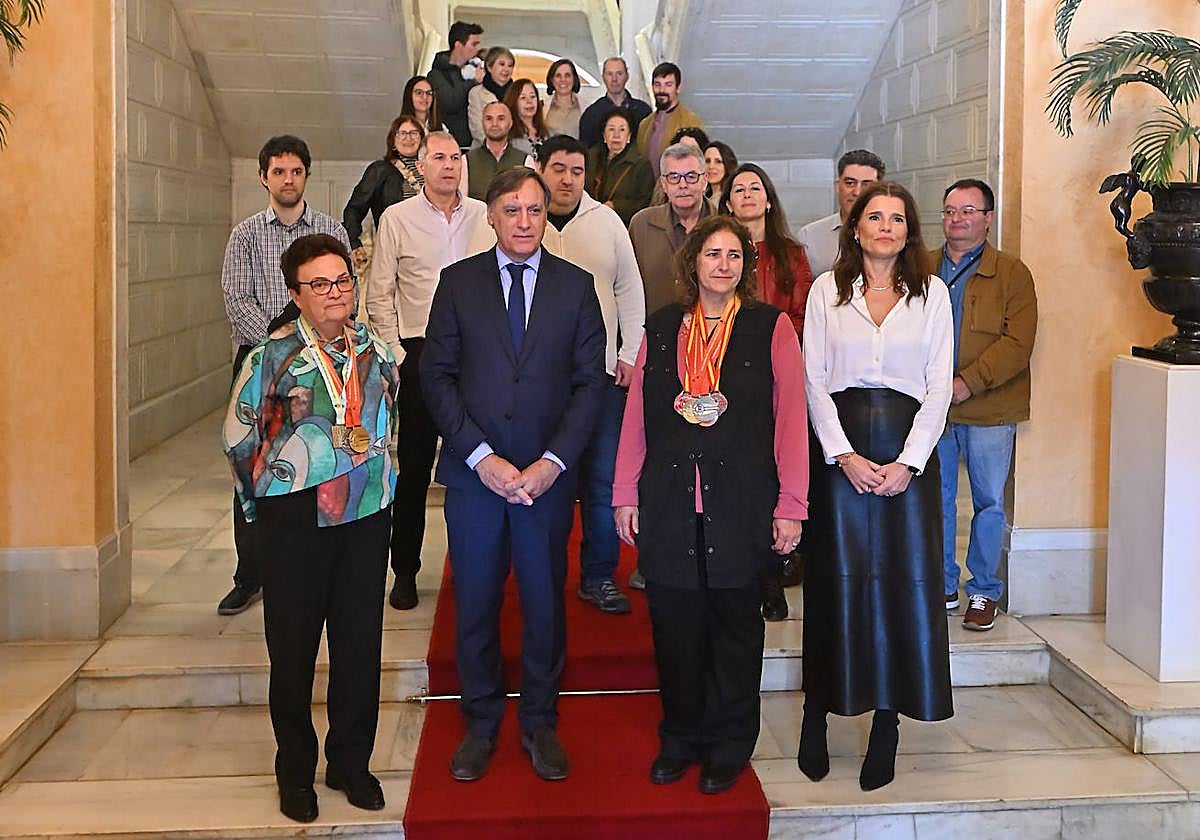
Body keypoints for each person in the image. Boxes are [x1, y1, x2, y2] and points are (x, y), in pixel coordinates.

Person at [420, 167, 607, 783]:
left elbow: (588, 385)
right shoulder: (457, 283)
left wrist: (552, 464)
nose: (524, 221)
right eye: (511, 210)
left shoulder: (577, 288)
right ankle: (479, 722)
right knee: (474, 600)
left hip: (545, 482)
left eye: (534, 209)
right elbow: (437, 377)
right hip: (478, 479)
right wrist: (483, 458)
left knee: (544, 602)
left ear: (544, 214)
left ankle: (538, 722)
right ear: (491, 216)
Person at [614, 215, 808, 794]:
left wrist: (791, 504)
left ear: (745, 266)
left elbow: (791, 420)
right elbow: (636, 419)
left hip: (743, 501)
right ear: (692, 262)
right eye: (711, 253)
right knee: (675, 628)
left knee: (735, 630)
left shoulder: (770, 328)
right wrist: (625, 492)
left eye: (733, 255)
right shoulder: (662, 326)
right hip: (671, 500)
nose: (722, 264)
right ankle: (680, 737)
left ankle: (729, 743)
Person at [223, 234, 399, 824]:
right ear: (296, 294)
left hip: (366, 517)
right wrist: (262, 512)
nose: (334, 294)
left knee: (359, 646)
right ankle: (295, 770)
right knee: (293, 652)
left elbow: (388, 421)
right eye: (319, 284)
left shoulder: (378, 350)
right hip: (295, 521)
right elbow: (239, 438)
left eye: (343, 281)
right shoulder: (269, 358)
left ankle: (350, 761)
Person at [800, 181, 954, 792]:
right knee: (836, 585)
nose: (885, 226)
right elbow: (814, 379)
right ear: (855, 228)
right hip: (842, 455)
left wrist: (908, 462)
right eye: (874, 216)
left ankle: (886, 724)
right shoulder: (826, 292)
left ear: (909, 231)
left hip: (907, 457)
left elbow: (939, 385)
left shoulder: (933, 294)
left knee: (898, 588)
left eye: (897, 217)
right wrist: (843, 454)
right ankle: (817, 713)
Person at [219, 135, 351, 617]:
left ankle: (315, 563)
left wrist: (310, 342)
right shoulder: (246, 235)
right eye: (278, 172)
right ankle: (250, 573)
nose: (287, 180)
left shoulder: (330, 229)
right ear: (263, 178)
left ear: (306, 176)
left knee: (318, 458)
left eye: (295, 171)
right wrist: (280, 345)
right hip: (263, 368)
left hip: (322, 366)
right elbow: (237, 301)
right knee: (260, 468)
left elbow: (340, 295)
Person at [366, 131, 493, 611]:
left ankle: (475, 569)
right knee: (415, 470)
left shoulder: (484, 215)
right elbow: (379, 293)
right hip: (420, 353)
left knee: (477, 464)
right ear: (420, 167)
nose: (449, 165)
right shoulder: (397, 219)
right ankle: (405, 571)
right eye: (438, 157)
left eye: (455, 157)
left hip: (480, 356)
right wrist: (400, 356)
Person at [537, 135, 645, 614]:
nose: (566, 179)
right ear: (540, 169)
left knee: (603, 481)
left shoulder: (607, 222)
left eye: (576, 171)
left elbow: (630, 289)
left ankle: (599, 575)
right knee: (547, 481)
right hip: (537, 379)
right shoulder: (525, 218)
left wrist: (629, 351)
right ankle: (545, 576)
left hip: (601, 377)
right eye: (558, 168)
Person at [932, 178, 1037, 631]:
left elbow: (1018, 342)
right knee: (934, 500)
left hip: (990, 408)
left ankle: (983, 590)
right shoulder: (920, 266)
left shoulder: (1013, 273)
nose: (958, 219)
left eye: (969, 211)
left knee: (989, 501)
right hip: (931, 408)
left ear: (988, 218)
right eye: (951, 210)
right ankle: (940, 583)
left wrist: (967, 383)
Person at [720, 162, 814, 621]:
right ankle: (743, 574)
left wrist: (772, 348)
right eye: (739, 189)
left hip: (777, 376)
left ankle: (773, 579)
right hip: (724, 378)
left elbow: (802, 313)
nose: (748, 195)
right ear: (728, 202)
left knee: (773, 479)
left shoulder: (790, 254)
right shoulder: (719, 252)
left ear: (769, 199)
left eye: (756, 188)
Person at [630, 143, 712, 320]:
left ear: (705, 180)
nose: (683, 185)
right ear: (664, 184)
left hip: (715, 337)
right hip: (655, 334)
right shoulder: (641, 224)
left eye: (691, 176)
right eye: (674, 177)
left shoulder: (725, 225)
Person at [342, 116, 425, 274]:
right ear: (393, 140)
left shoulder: (429, 170)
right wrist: (353, 242)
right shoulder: (379, 170)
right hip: (393, 250)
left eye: (414, 133)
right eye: (402, 133)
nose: (408, 138)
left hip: (426, 247)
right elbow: (354, 209)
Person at [798, 149, 885, 278]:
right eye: (850, 183)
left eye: (866, 185)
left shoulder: (893, 233)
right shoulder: (809, 237)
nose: (857, 192)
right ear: (838, 186)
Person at [585, 109, 654, 226]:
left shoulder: (641, 165)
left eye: (622, 130)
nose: (616, 135)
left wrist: (616, 206)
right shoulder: (590, 158)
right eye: (611, 129)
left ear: (629, 136)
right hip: (589, 222)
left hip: (622, 226)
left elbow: (645, 203)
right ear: (604, 135)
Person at [637, 62, 705, 178]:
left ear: (678, 88)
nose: (661, 90)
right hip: (647, 192)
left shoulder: (691, 121)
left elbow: (699, 164)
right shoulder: (644, 124)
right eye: (657, 84)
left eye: (668, 84)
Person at [428, 21, 484, 148]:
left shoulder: (476, 68)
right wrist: (473, 81)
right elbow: (449, 102)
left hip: (476, 144)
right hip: (452, 144)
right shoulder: (437, 74)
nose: (478, 49)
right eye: (474, 44)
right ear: (458, 45)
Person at [579, 57, 651, 149]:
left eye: (619, 74)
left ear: (627, 76)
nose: (614, 79)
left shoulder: (643, 111)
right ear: (603, 77)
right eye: (609, 74)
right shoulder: (592, 114)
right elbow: (586, 150)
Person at [465, 101, 526, 200]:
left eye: (501, 118)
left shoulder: (525, 160)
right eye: (489, 119)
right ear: (482, 122)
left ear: (510, 123)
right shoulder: (466, 161)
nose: (494, 124)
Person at [467, 46, 515, 147]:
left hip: (513, 150)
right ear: (489, 67)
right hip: (482, 149)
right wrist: (497, 146)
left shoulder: (517, 93)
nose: (506, 69)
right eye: (502, 64)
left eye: (510, 65)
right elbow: (477, 128)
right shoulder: (476, 93)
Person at [505, 78, 549, 159]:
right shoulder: (507, 134)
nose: (529, 101)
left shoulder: (546, 133)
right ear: (514, 101)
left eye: (532, 96)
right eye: (523, 97)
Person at [544, 58, 583, 139]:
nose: (563, 80)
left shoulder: (586, 107)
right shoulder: (542, 107)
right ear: (551, 79)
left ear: (574, 78)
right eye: (558, 76)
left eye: (567, 75)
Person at [704, 141, 737, 206]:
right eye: (707, 161)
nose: (711, 166)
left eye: (718, 161)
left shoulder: (732, 198)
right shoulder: (704, 198)